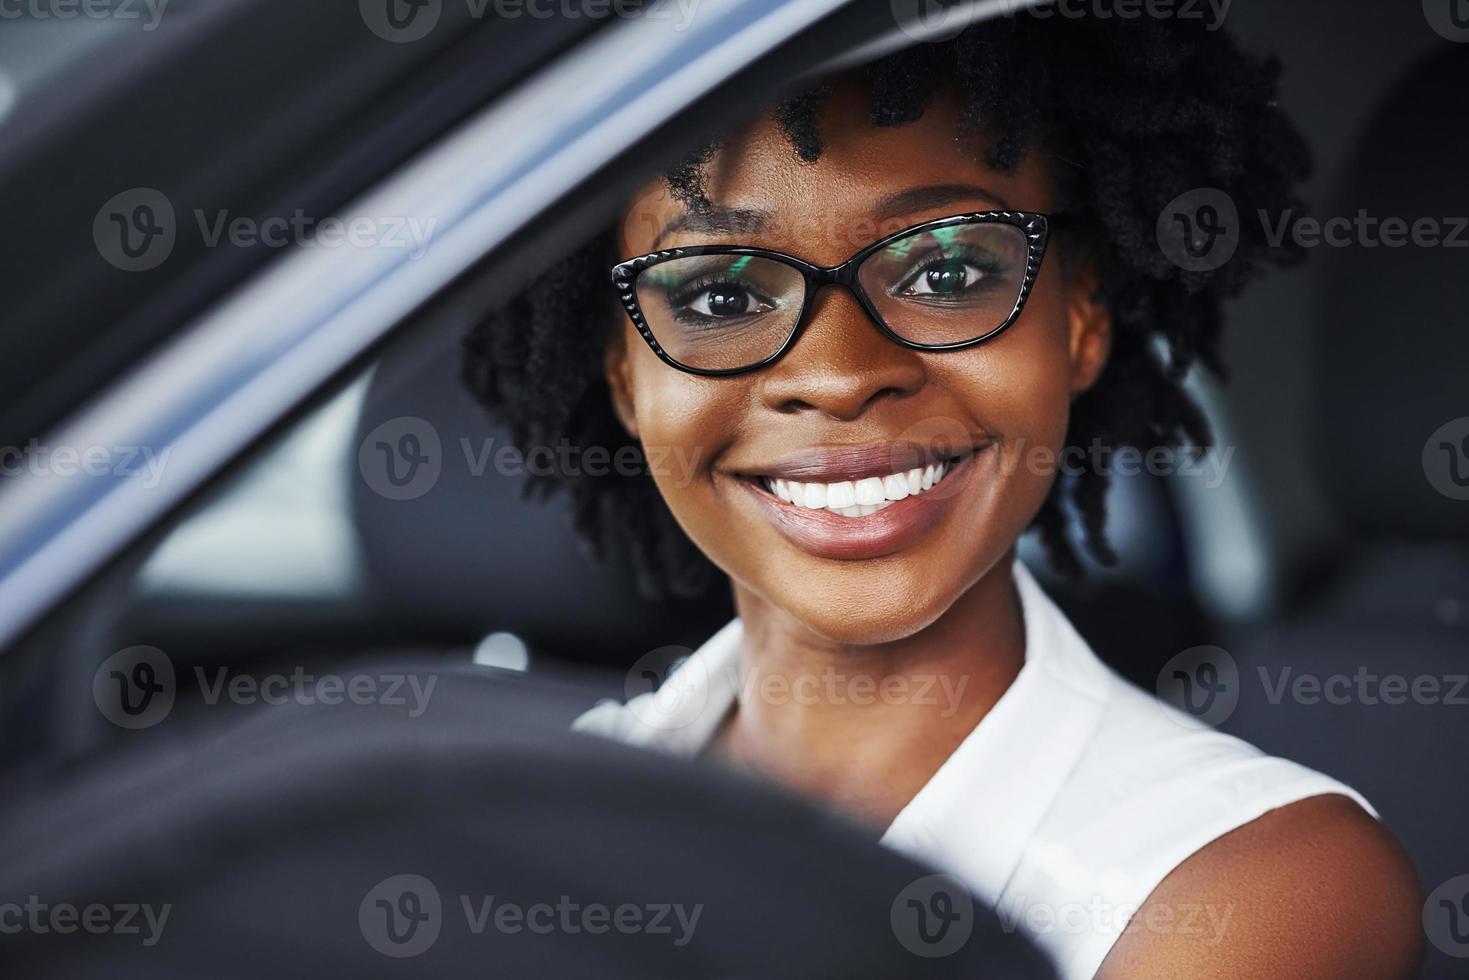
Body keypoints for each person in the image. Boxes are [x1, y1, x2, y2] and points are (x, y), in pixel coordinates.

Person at [464, 13, 1422, 979]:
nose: (838, 375)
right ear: (624, 377)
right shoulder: (535, 807)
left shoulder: (1254, 881)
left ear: (1080, 318)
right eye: (720, 296)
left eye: (947, 270)